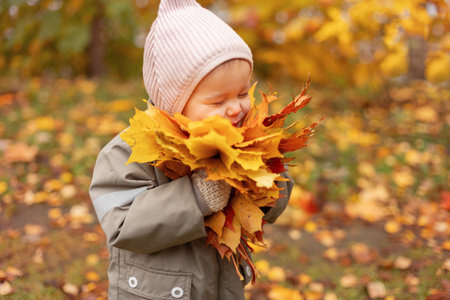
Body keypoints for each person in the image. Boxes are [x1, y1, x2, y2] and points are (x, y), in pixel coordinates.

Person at [89, 0, 293, 299]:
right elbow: (122, 226)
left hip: (220, 288)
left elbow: (275, 201)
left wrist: (261, 179)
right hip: (157, 292)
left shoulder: (244, 137)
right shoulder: (129, 152)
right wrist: (197, 197)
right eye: (217, 101)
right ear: (174, 103)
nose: (236, 107)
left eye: (241, 92)